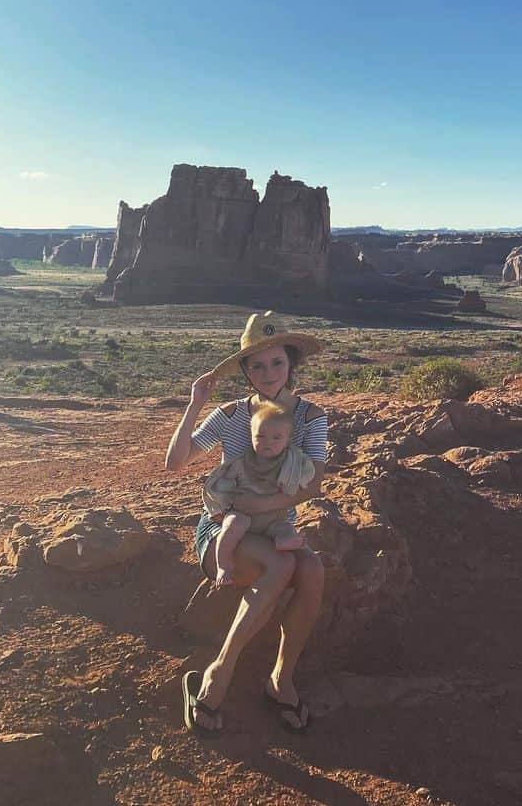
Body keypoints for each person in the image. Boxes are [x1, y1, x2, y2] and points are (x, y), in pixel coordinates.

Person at [166, 311, 328, 735]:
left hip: (271, 527)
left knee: (312, 570)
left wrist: (255, 504)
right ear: (245, 370)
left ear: (292, 362)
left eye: (277, 362)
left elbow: (312, 485)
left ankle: (281, 678)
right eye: (256, 364)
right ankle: (219, 671)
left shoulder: (310, 418)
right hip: (226, 531)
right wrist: (194, 404)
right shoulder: (231, 415)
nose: (268, 372)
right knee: (283, 565)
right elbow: (176, 462)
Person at [203, 399, 317, 586]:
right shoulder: (242, 462)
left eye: (276, 438)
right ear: (252, 436)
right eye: (260, 437)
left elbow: (307, 472)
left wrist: (302, 481)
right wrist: (220, 507)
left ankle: (284, 541)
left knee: (285, 529)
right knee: (232, 526)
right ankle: (223, 564)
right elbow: (223, 483)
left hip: (273, 518)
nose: (267, 443)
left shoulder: (292, 462)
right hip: (243, 513)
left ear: (288, 438)